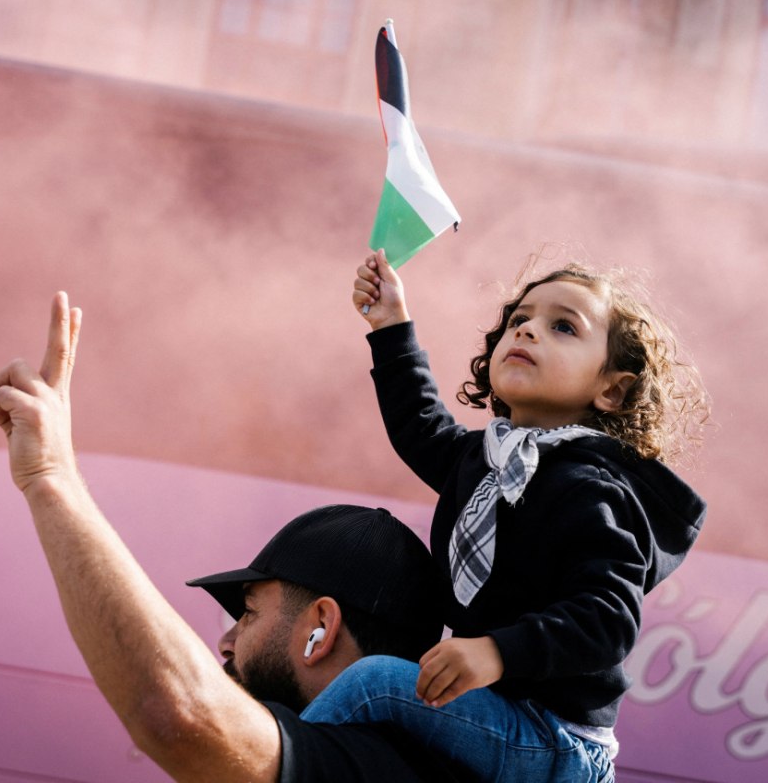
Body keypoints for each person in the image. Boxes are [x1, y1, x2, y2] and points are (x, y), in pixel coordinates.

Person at [0, 292, 476, 782]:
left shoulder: (377, 769)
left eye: (249, 612)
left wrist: (50, 476)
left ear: (320, 628)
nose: (226, 640)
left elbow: (179, 715)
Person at [300, 251, 709, 781]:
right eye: (520, 319)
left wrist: (497, 652)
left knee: (374, 683)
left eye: (564, 326)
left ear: (611, 389)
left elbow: (607, 620)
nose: (528, 330)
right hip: (500, 712)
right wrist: (390, 324)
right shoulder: (486, 461)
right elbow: (420, 425)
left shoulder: (592, 489)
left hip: (558, 739)